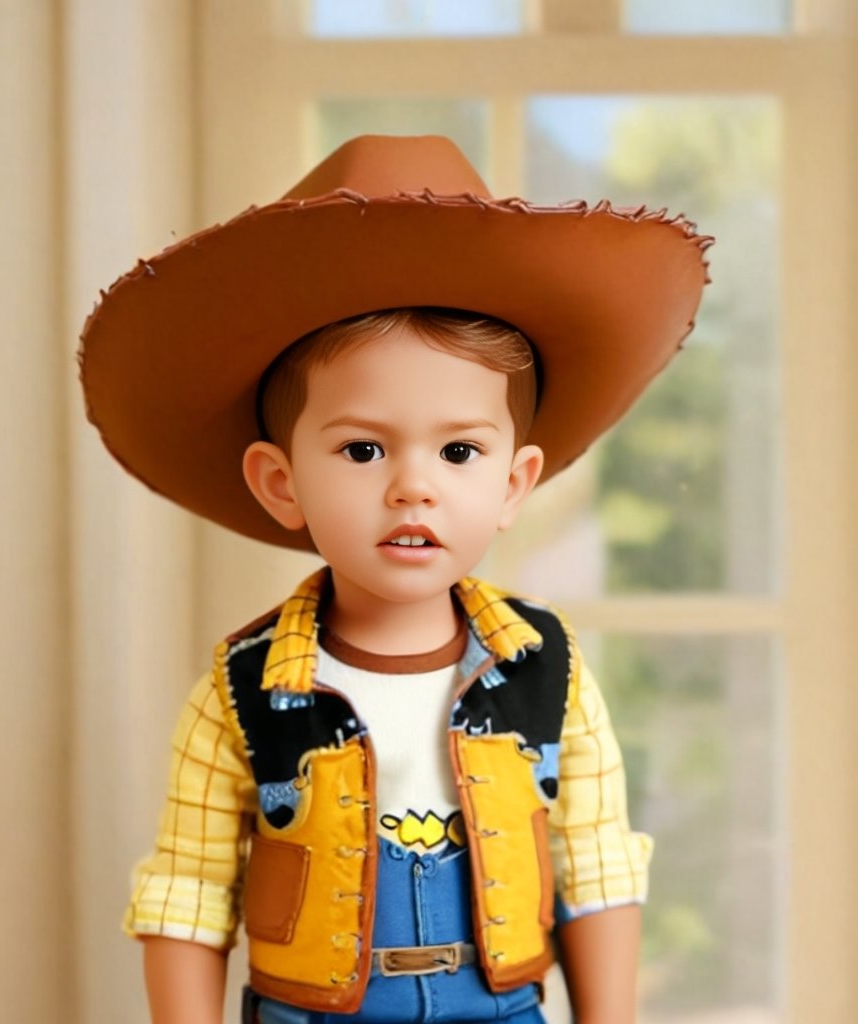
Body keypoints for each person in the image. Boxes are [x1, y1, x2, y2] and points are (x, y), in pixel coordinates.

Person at [79, 135, 711, 1024]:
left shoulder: (549, 672)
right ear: (281, 483)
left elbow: (594, 868)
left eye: (458, 451)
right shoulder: (241, 688)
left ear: (512, 484)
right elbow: (188, 893)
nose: (413, 484)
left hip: (498, 1009)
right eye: (363, 448)